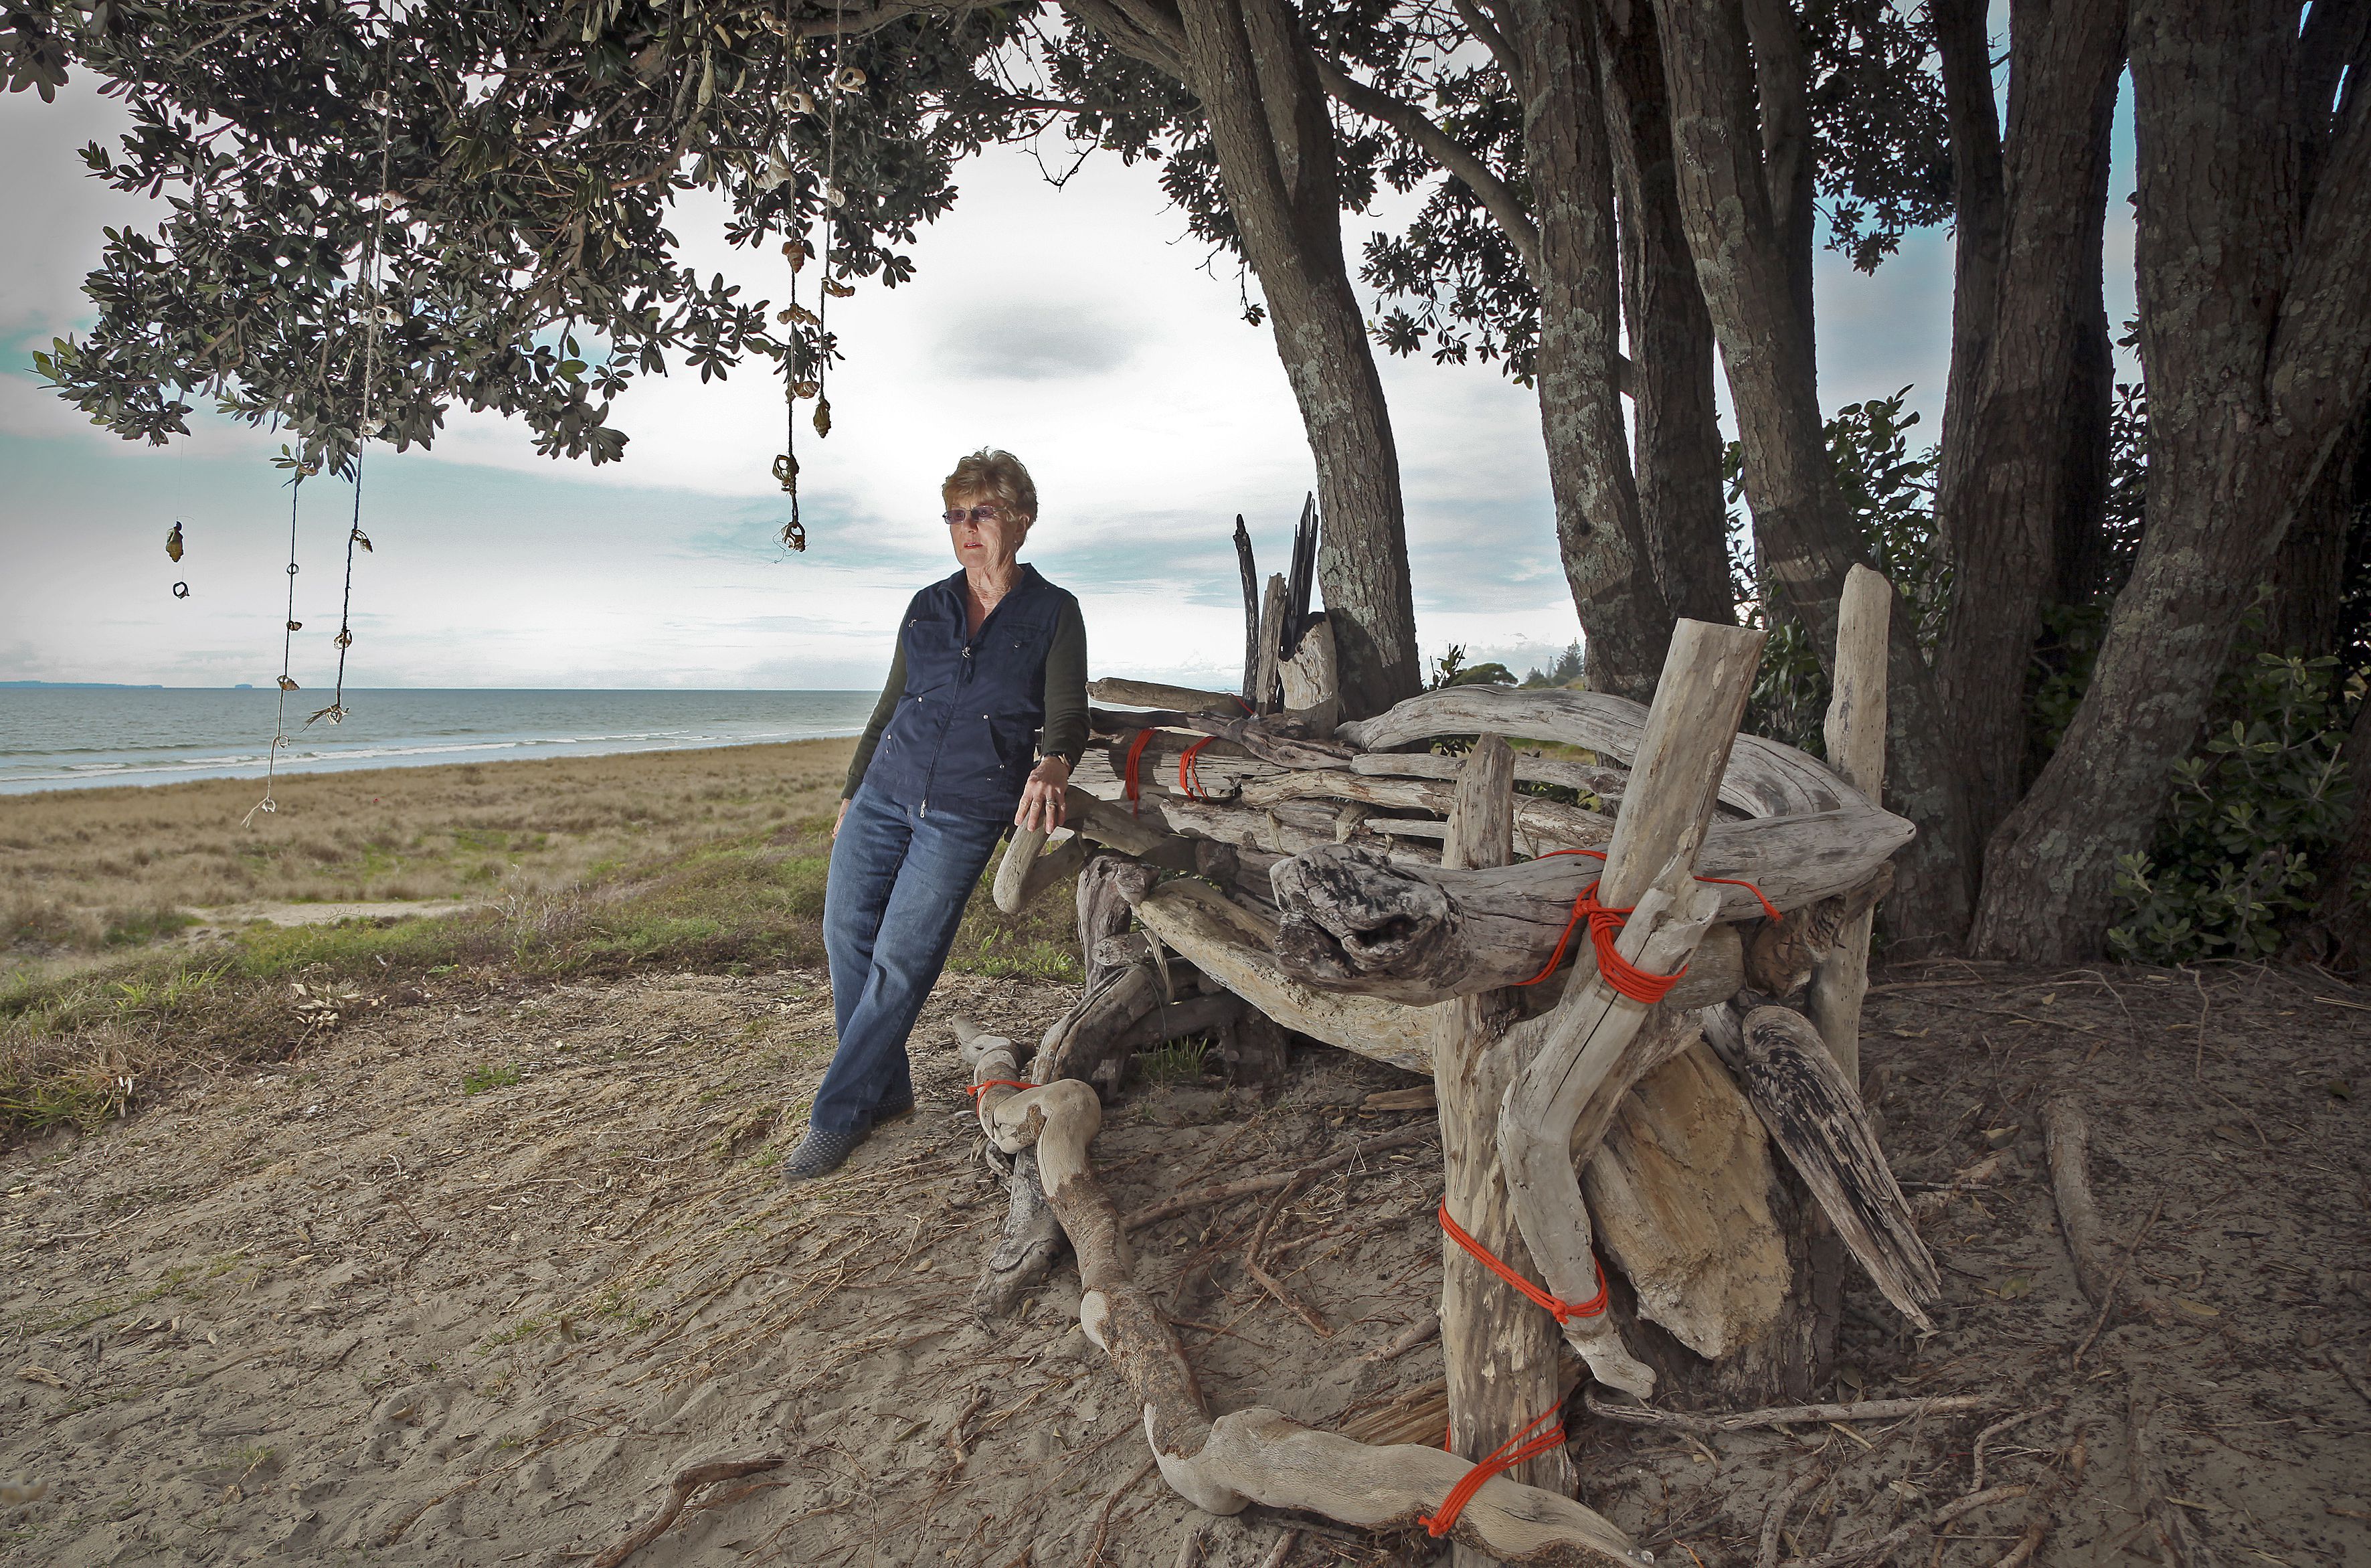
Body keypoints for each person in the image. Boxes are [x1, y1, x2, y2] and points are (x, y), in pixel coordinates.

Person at [779, 449, 1089, 1180]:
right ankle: (884, 1094)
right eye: (955, 515)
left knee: (902, 961)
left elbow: (1067, 715)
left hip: (965, 809)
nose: (967, 528)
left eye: (981, 512)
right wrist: (854, 790)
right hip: (885, 793)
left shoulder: (1054, 613)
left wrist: (1054, 762)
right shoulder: (928, 605)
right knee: (846, 933)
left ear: (1021, 518)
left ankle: (836, 1117)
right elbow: (889, 707)